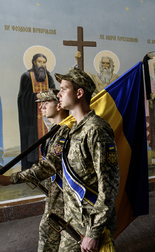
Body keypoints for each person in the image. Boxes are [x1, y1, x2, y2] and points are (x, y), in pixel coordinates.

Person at [55, 67, 120, 251]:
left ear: (79, 93)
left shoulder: (96, 130)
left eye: (63, 89)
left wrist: (93, 233)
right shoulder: (73, 130)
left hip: (90, 225)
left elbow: (109, 184)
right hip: (74, 223)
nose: (58, 94)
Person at [0, 89, 70, 251]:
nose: (41, 107)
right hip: (55, 194)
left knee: (49, 238)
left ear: (59, 105)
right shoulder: (54, 131)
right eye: (40, 104)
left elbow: (49, 166)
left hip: (64, 198)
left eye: (46, 103)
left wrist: (11, 179)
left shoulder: (64, 132)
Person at [18, 53, 55, 170]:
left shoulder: (48, 77)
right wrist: (36, 96)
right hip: (32, 118)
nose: (42, 65)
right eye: (39, 62)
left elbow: (54, 93)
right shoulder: (27, 76)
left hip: (47, 117)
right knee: (32, 144)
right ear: (34, 62)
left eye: (44, 62)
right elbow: (22, 97)